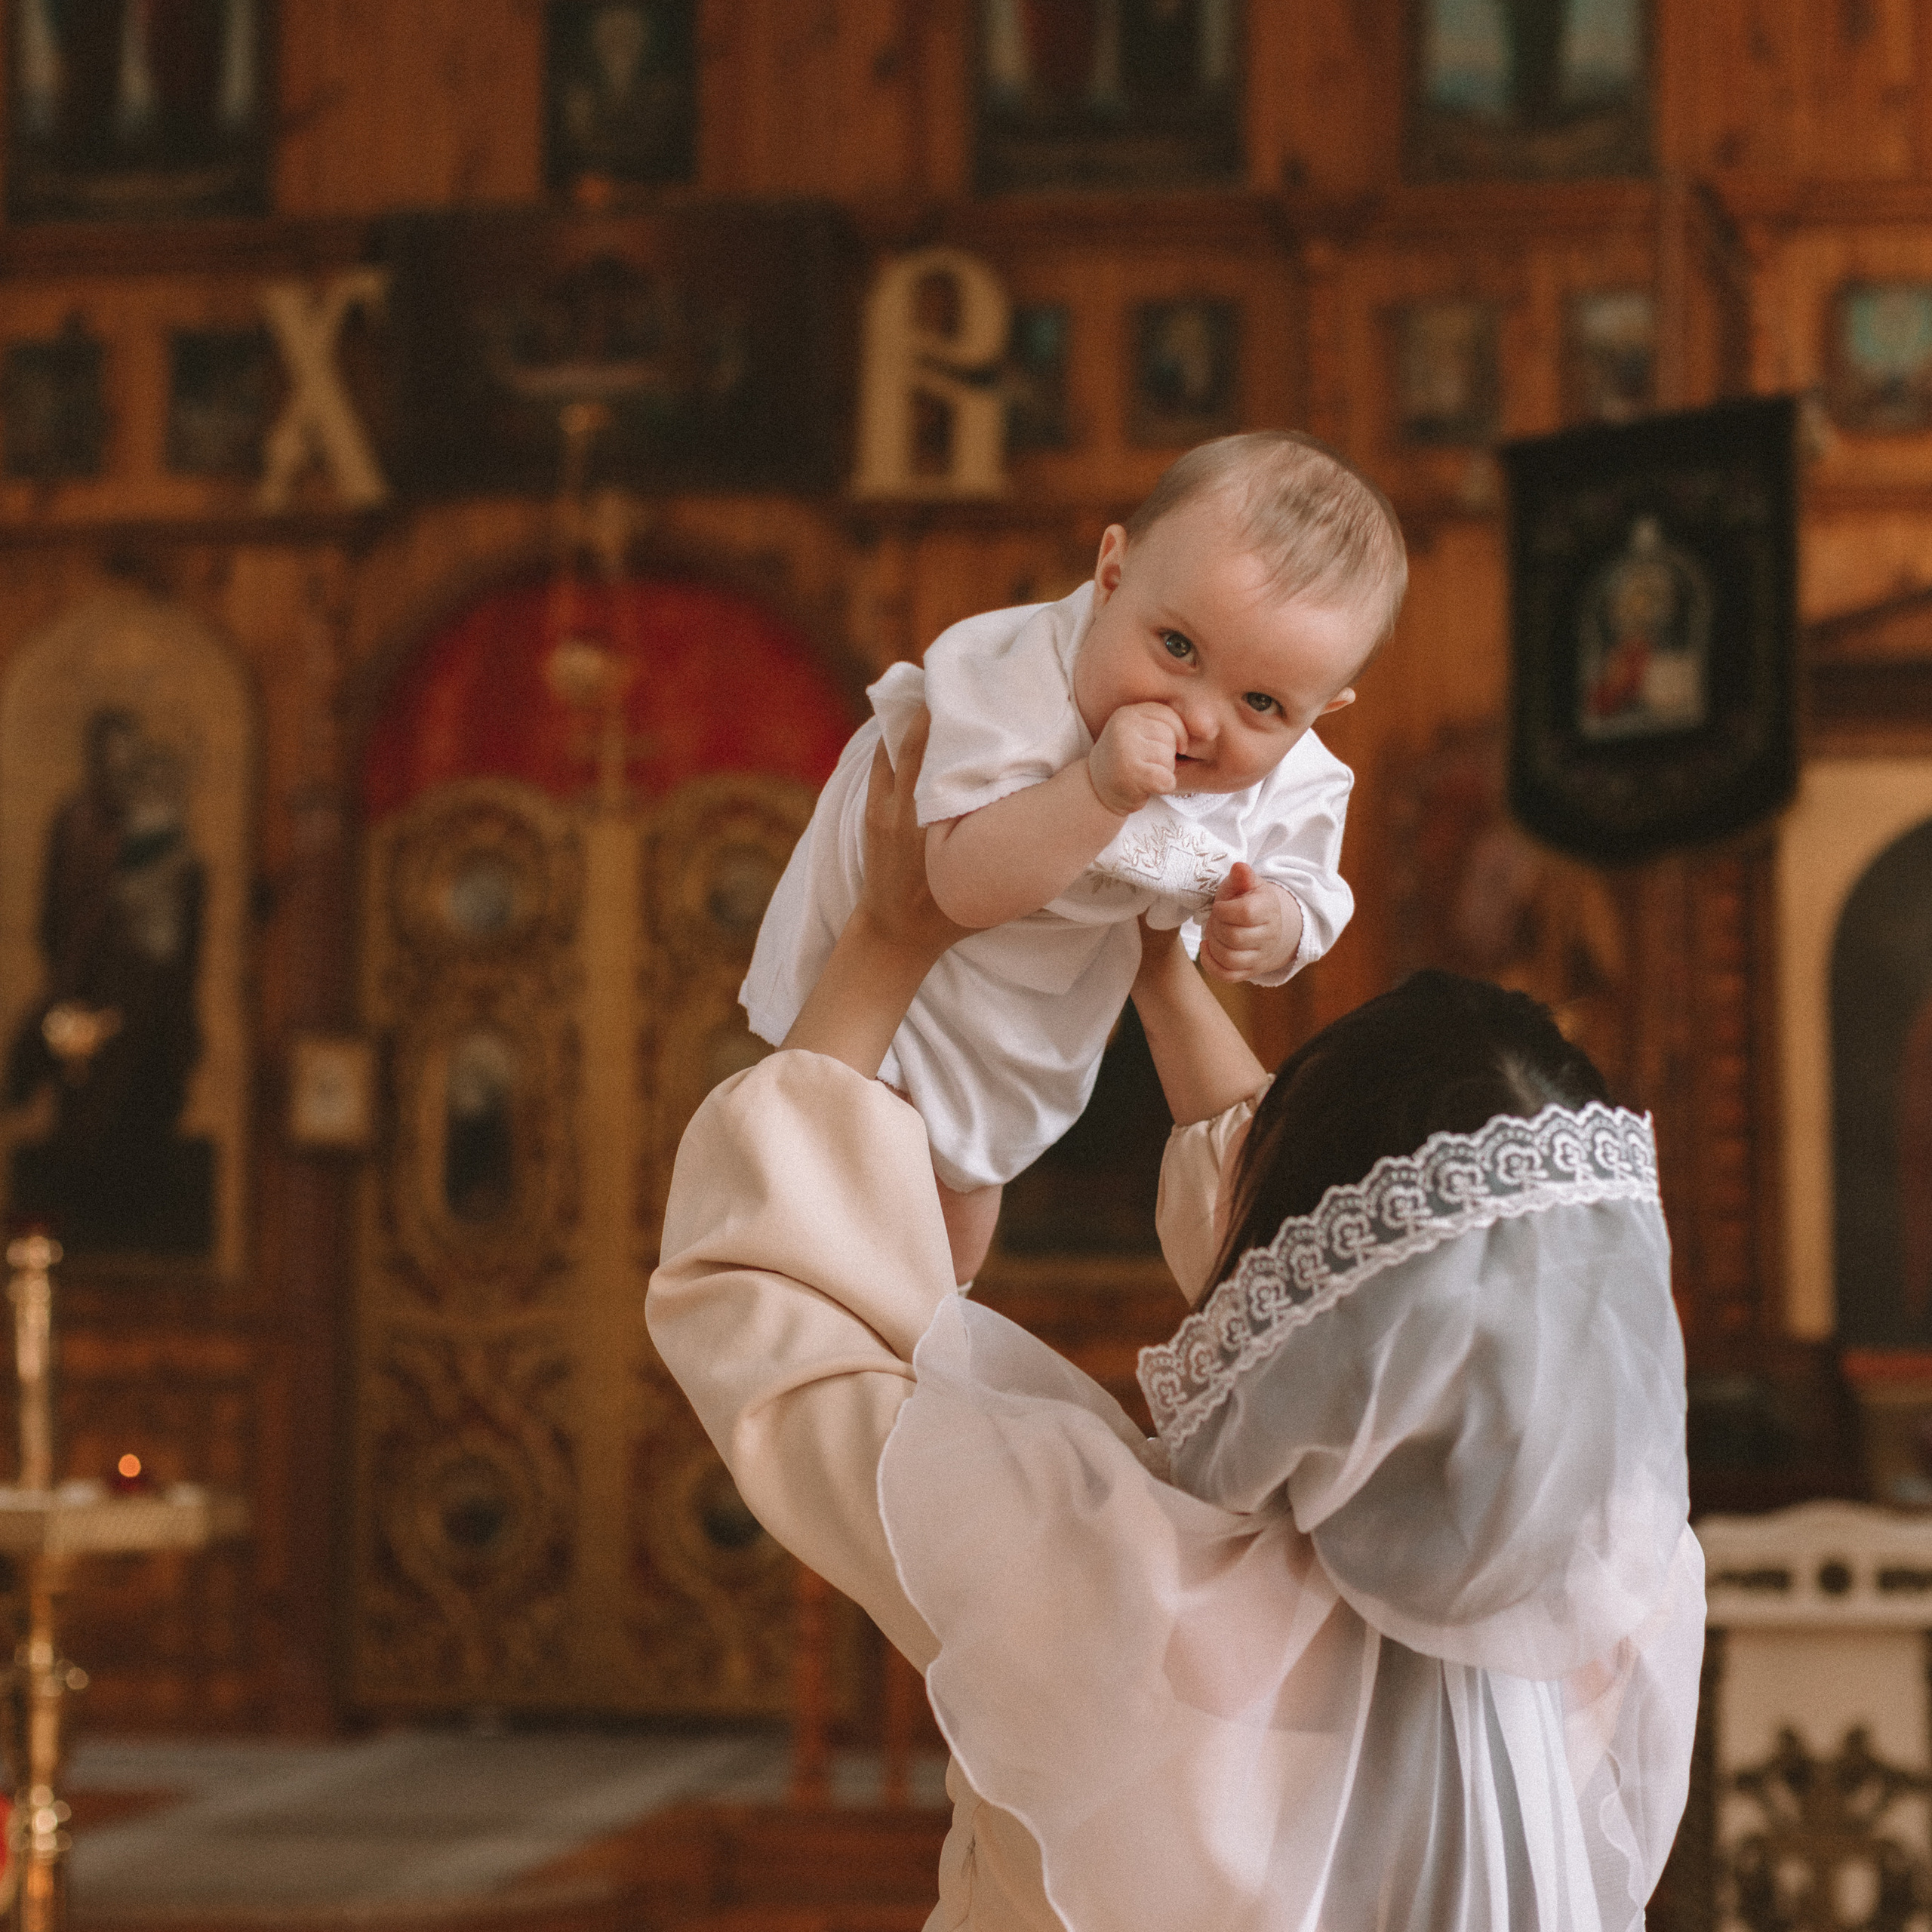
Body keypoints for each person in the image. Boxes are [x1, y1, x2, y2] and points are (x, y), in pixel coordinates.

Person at [651, 718, 1701, 1932]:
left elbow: (768, 1298)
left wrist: (888, 942)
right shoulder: (1629, 1585)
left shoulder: (1102, 1570)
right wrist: (1159, 968)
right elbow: (1387, 1281)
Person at [743, 430, 1407, 1284]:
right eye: (1176, 647)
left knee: (957, 1214)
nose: (1198, 717)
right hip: (896, 944)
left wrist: (1269, 924)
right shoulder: (1012, 677)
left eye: (1261, 702)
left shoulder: (1298, 776)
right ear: (1111, 577)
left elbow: (1312, 897)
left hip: (1032, 992)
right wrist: (1093, 792)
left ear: (1322, 711)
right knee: (824, 1191)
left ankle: (917, 1365)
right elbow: (952, 884)